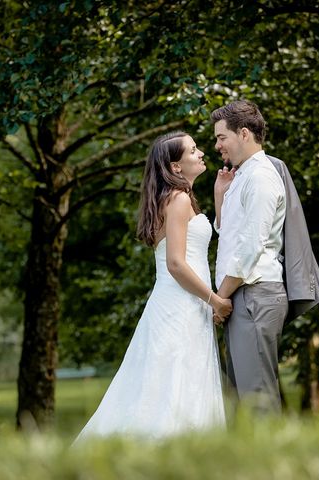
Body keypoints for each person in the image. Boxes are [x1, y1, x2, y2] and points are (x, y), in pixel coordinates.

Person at [73, 131, 230, 443]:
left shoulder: (177, 199)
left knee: (168, 383)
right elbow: (176, 263)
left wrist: (219, 198)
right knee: (175, 384)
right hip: (180, 306)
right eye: (193, 150)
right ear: (175, 167)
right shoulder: (179, 199)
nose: (201, 153)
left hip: (181, 303)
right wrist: (214, 299)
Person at [210, 100, 289, 413]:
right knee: (246, 396)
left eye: (220, 137)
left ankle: (275, 462)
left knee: (258, 400)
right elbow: (228, 234)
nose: (217, 145)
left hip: (254, 295)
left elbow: (249, 249)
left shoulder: (260, 178)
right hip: (242, 294)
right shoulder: (242, 176)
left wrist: (219, 299)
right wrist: (220, 194)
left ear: (243, 134)